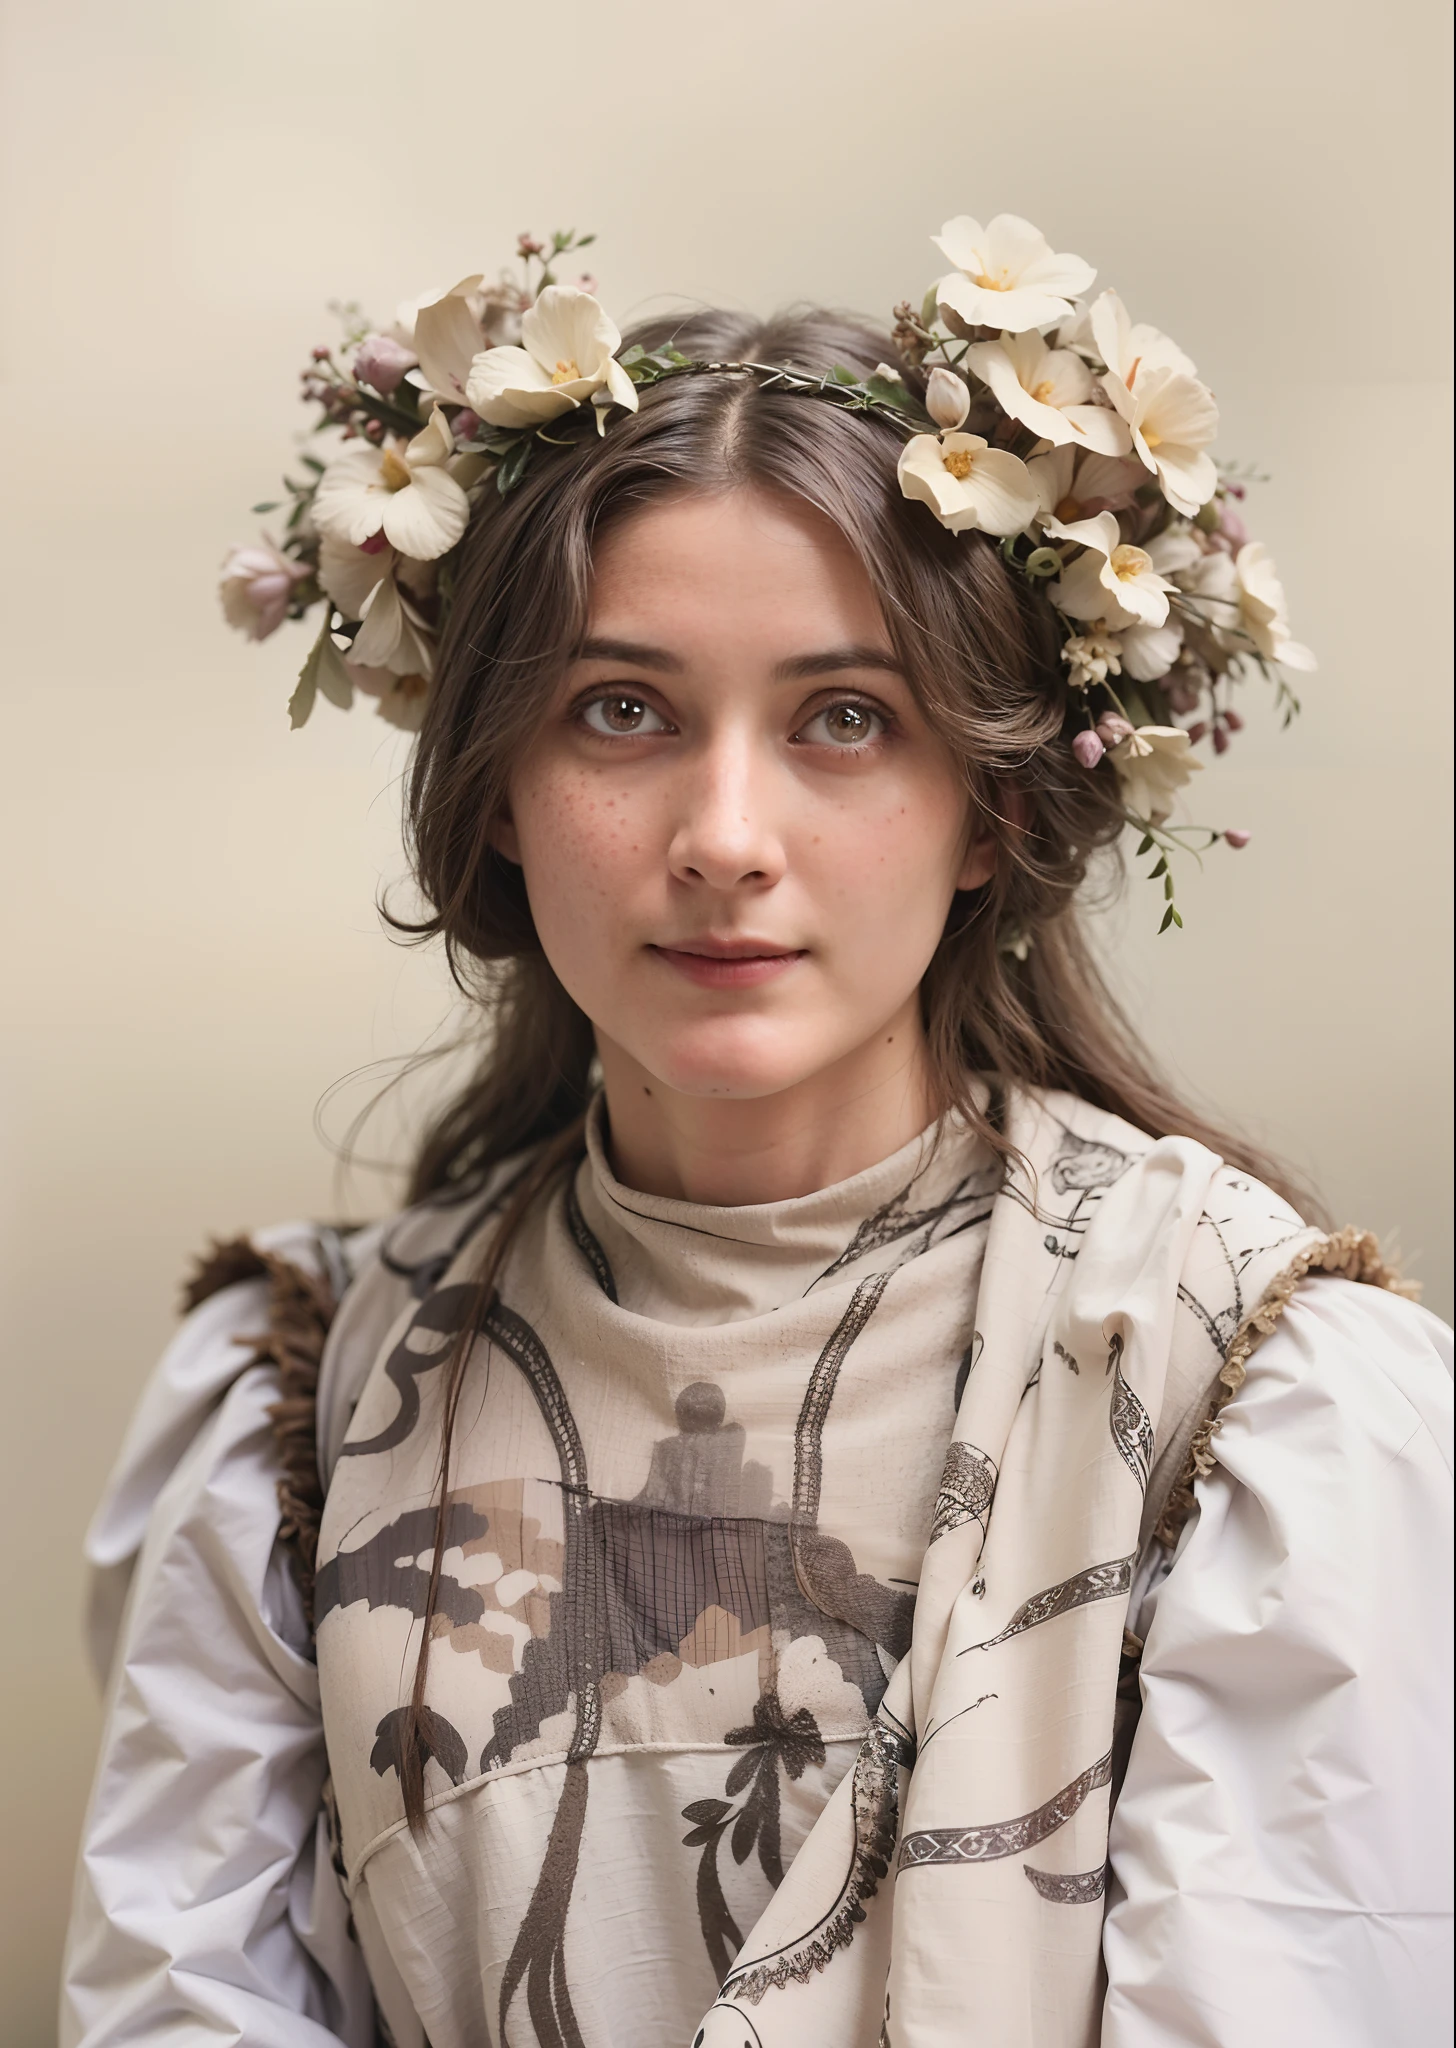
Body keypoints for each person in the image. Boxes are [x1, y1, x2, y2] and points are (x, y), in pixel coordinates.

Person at [61, 218, 1452, 2048]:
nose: (725, 832)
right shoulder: (301, 1401)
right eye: (620, 710)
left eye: (846, 720)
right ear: (494, 794)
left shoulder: (1248, 1387)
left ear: (990, 810)